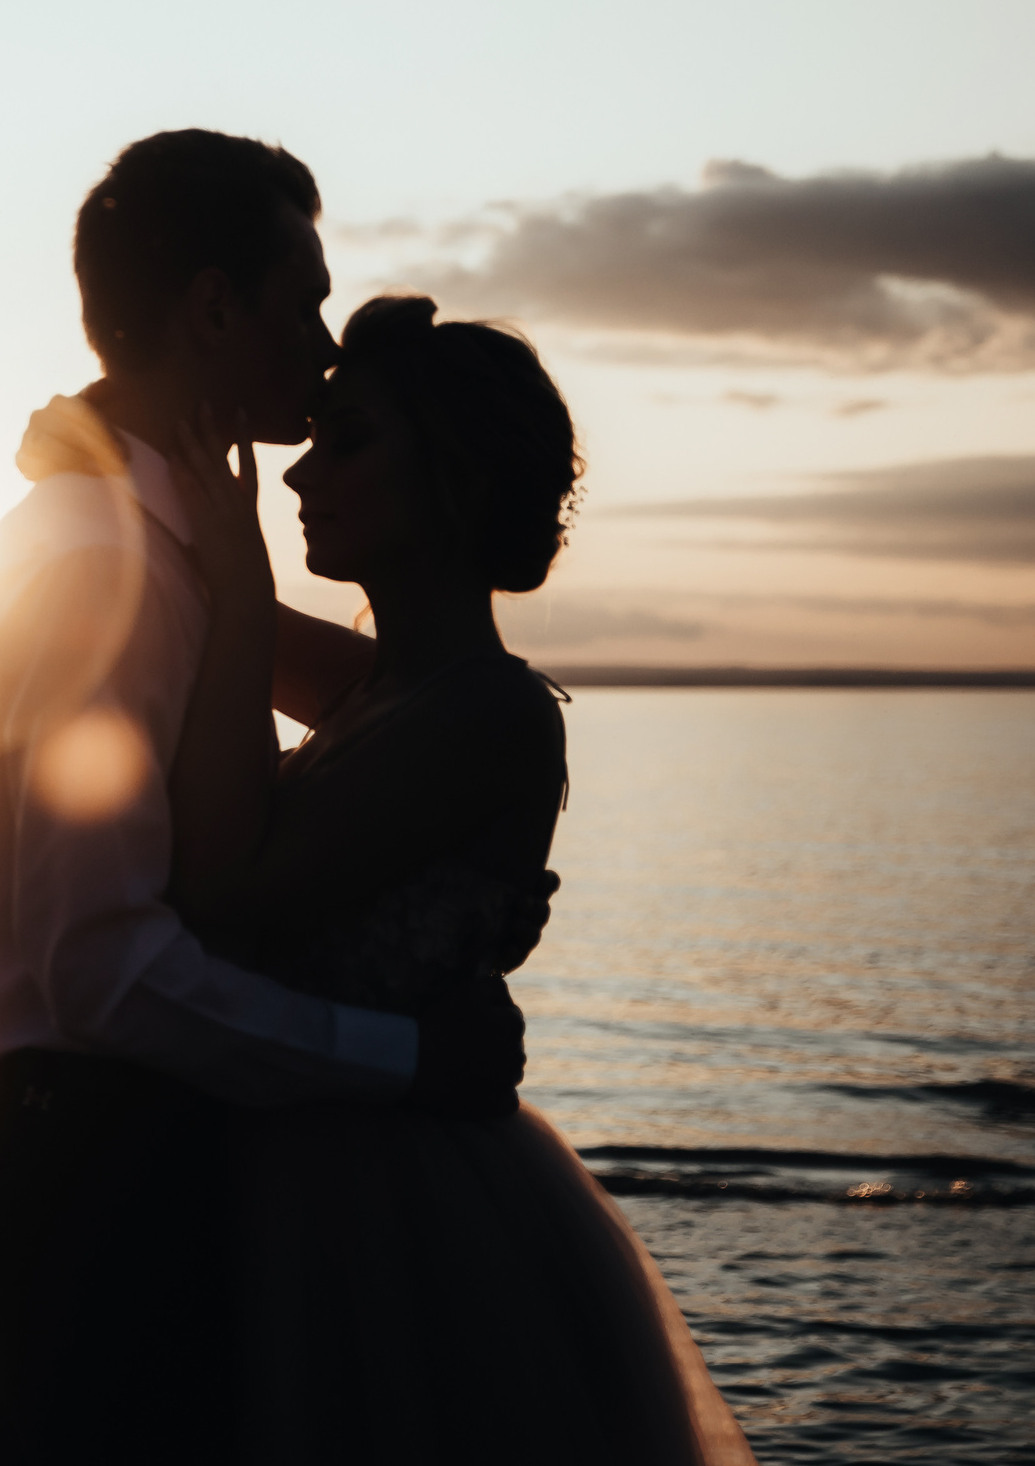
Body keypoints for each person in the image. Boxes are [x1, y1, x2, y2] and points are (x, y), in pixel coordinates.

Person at [0, 131, 530, 1461]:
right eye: (301, 299)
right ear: (212, 307)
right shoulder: (103, 564)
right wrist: (412, 1062)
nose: (319, 345)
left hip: (102, 1147)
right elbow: (106, 971)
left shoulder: (150, 544)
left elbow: (409, 701)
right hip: (87, 1161)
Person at [161, 293, 758, 1464]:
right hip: (296, 1166)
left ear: (456, 482)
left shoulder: (488, 713)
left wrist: (231, 583)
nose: (299, 478)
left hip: (383, 1212)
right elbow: (208, 620)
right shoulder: (389, 687)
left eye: (352, 441)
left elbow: (227, 891)